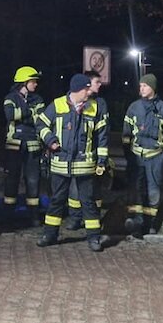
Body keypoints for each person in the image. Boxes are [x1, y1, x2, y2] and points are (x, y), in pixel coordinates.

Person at [37, 73, 108, 252]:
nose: (89, 91)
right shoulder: (58, 104)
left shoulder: (94, 108)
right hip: (61, 164)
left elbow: (101, 136)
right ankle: (49, 235)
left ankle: (94, 238)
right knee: (56, 201)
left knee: (88, 203)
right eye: (87, 88)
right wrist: (51, 140)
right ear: (78, 89)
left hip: (84, 165)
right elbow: (41, 124)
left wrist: (101, 160)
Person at [123, 74, 163, 237]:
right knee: (136, 190)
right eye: (140, 86)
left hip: (155, 157)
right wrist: (129, 155)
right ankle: (137, 223)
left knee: (153, 192)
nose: (141, 89)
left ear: (152, 87)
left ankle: (151, 223)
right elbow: (126, 133)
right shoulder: (134, 107)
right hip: (137, 156)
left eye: (144, 86)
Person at [3, 66, 45, 226]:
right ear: (23, 82)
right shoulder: (10, 98)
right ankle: (8, 216)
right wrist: (29, 112)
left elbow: (40, 120)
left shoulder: (38, 99)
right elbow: (10, 115)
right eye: (33, 81)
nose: (35, 84)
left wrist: (24, 114)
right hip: (14, 145)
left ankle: (34, 216)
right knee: (11, 180)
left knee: (33, 181)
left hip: (33, 145)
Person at [68, 69, 110, 229]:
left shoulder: (100, 104)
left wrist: (102, 158)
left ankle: (92, 218)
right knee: (74, 189)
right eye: (97, 82)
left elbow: (103, 133)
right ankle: (75, 218)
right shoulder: (75, 101)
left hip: (91, 154)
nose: (100, 85)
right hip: (75, 155)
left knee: (93, 189)